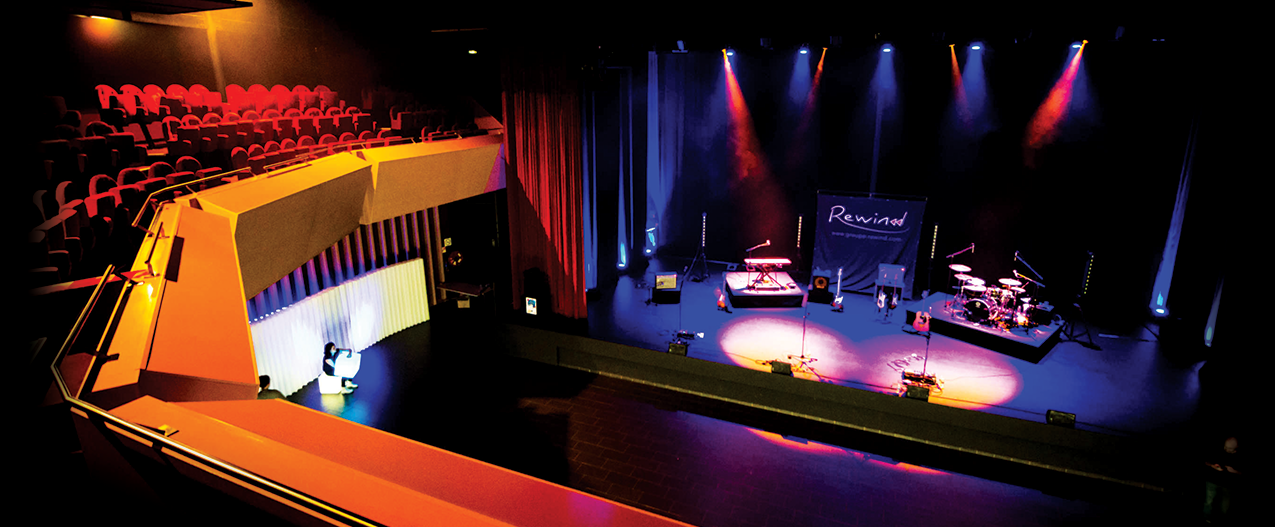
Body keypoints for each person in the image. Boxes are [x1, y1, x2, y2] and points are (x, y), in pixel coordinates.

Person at [1202, 435, 1241, 523]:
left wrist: (1234, 471)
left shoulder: (1240, 456)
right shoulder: (1218, 450)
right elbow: (1206, 462)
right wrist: (1213, 466)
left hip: (1228, 485)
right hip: (1212, 480)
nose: (1225, 449)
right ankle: (1206, 518)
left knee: (1224, 506)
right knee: (1208, 501)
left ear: (1235, 448)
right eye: (1225, 446)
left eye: (1229, 448)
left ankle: (1221, 520)